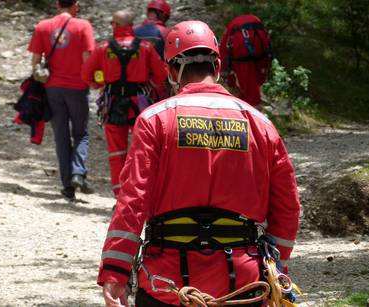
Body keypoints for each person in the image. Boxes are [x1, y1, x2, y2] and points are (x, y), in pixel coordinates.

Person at [97, 20, 300, 307]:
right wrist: (275, 264)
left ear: (170, 70)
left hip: (167, 283)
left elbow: (133, 200)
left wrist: (115, 270)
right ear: (217, 67)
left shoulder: (155, 120)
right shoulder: (260, 124)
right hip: (244, 281)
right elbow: (287, 206)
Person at [81, 10, 167, 197]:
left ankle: (120, 196)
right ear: (131, 26)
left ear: (116, 25)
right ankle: (140, 193)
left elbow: (86, 75)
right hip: (140, 104)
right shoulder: (146, 47)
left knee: (116, 152)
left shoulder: (103, 48)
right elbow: (161, 75)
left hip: (112, 103)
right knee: (142, 149)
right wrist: (148, 82)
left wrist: (101, 83)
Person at [27, 0, 95, 200]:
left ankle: (68, 186)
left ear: (57, 4)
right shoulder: (83, 26)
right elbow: (87, 60)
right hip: (77, 88)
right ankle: (77, 173)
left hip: (52, 89)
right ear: (75, 5)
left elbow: (35, 62)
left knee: (61, 136)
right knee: (81, 134)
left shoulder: (42, 26)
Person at [219, 14, 273, 107]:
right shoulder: (255, 21)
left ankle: (249, 109)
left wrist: (230, 83)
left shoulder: (232, 28)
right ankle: (254, 106)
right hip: (259, 46)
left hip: (242, 49)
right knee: (252, 84)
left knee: (247, 89)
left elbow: (223, 56)